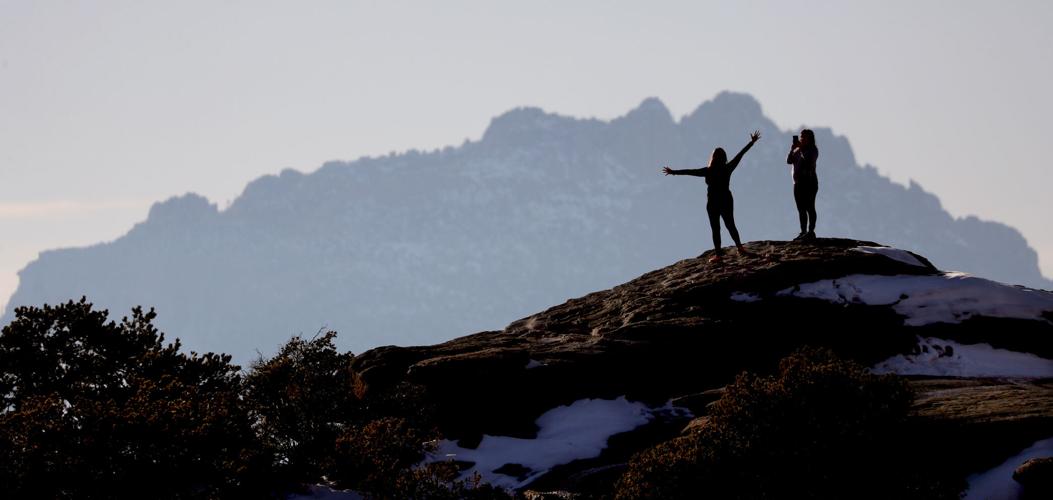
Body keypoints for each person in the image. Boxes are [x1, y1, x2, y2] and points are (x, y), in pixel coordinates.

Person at [663, 130, 761, 262]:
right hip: (726, 199)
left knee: (716, 228)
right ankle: (740, 248)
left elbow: (690, 172)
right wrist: (752, 142)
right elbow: (740, 154)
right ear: (724, 157)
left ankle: (719, 255)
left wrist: (673, 172)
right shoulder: (727, 168)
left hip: (713, 202)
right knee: (730, 224)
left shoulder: (708, 171)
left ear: (713, 158)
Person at [786, 129, 819, 240]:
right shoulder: (798, 150)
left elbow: (808, 162)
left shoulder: (813, 150)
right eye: (801, 137)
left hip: (809, 182)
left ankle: (811, 231)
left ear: (809, 138)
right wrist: (792, 150)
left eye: (804, 137)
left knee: (810, 207)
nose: (802, 139)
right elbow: (789, 161)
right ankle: (803, 231)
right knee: (801, 209)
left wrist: (800, 150)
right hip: (798, 183)